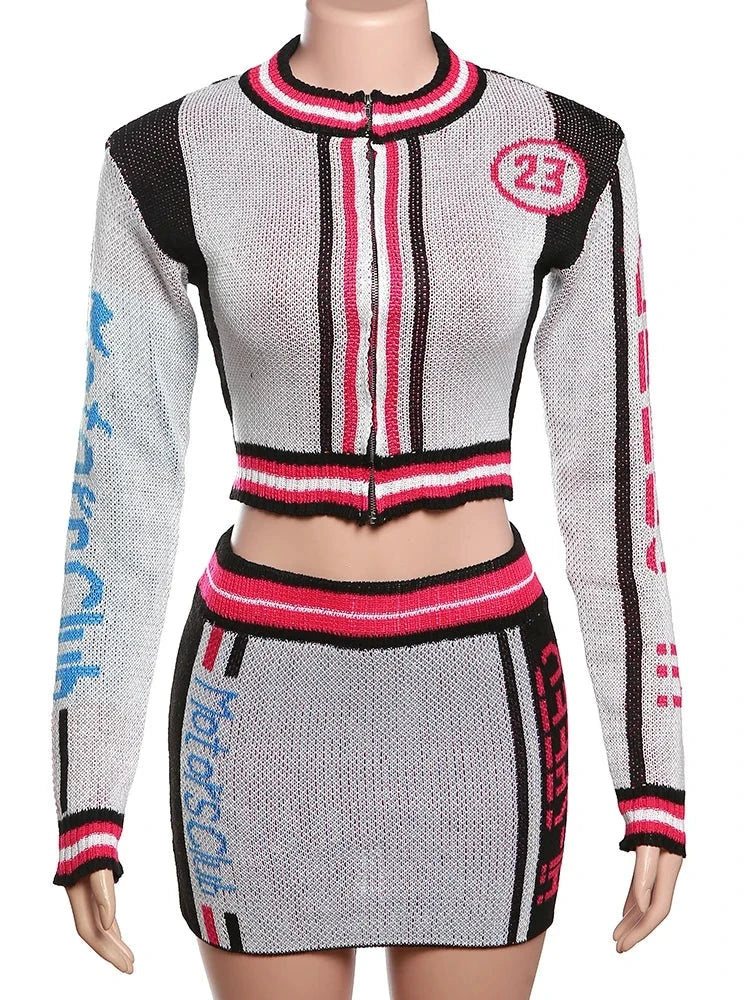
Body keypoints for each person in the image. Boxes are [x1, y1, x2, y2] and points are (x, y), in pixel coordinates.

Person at [50, 1, 686, 997]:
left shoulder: (569, 148)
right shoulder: (168, 156)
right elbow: (121, 484)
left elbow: (614, 479)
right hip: (258, 700)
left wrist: (655, 776)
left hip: (483, 702)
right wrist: (87, 794)